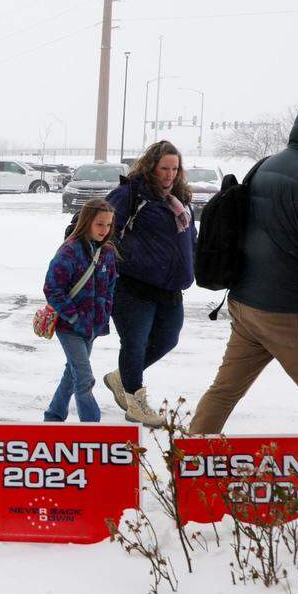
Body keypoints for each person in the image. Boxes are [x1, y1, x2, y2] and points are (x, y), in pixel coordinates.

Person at [190, 95, 298, 435]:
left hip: (246, 304)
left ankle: (187, 462)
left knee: (224, 392)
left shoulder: (265, 164)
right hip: (295, 311)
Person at [103, 140, 197, 428]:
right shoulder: (129, 194)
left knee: (168, 339)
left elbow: (188, 239)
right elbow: (100, 225)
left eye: (175, 168)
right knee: (134, 343)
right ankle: (136, 401)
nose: (169, 174)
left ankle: (121, 378)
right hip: (133, 284)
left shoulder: (180, 198)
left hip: (170, 287)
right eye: (164, 168)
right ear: (151, 167)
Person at [42, 199, 119, 422]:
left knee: (72, 372)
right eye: (99, 225)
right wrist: (74, 317)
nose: (104, 231)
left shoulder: (107, 253)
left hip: (92, 326)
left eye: (108, 225)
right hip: (69, 326)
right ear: (87, 222)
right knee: (84, 378)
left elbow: (111, 286)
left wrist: (103, 315)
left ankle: (53, 416)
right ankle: (91, 426)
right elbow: (52, 288)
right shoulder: (70, 251)